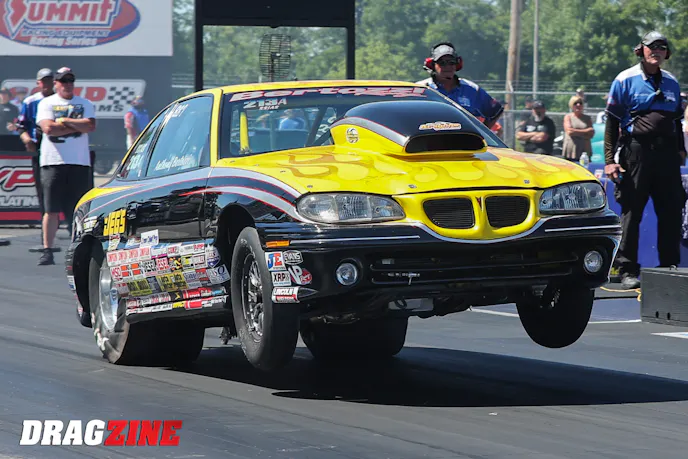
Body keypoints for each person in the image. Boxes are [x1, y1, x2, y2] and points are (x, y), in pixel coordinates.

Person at [604, 31, 686, 289]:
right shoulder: (625, 79)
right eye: (652, 47)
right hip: (636, 152)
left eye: (662, 47)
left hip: (667, 155)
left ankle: (669, 267)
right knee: (632, 212)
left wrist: (681, 150)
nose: (657, 51)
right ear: (641, 50)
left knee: (671, 211)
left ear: (666, 53)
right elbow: (611, 121)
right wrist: (609, 160)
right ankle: (627, 269)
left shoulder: (672, 82)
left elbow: (676, 121)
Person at [36, 67, 96, 266]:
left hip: (79, 162)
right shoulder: (47, 103)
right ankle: (47, 250)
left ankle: (79, 250)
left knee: (79, 209)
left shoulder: (85, 103)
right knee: (51, 209)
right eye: (63, 81)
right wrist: (76, 125)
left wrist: (64, 121)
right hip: (53, 161)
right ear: (56, 84)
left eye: (70, 81)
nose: (67, 85)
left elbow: (89, 126)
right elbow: (49, 128)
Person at [417, 42, 503, 128]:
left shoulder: (471, 89)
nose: (448, 66)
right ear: (432, 65)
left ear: (457, 64)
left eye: (451, 62)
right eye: (442, 63)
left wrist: (482, 133)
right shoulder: (421, 88)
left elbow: (495, 111)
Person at [16, 68, 55, 227]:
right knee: (41, 184)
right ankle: (44, 216)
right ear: (38, 83)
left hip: (56, 147)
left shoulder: (59, 100)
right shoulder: (30, 101)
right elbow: (21, 126)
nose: (46, 84)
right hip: (37, 147)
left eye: (49, 81)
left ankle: (60, 218)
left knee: (57, 184)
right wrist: (27, 141)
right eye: (43, 81)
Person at [562, 95, 594, 161]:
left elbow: (591, 133)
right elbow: (570, 132)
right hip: (571, 150)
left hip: (584, 150)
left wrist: (575, 132)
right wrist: (585, 131)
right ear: (571, 105)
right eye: (575, 103)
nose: (578, 105)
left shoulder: (587, 118)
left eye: (580, 103)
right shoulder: (568, 117)